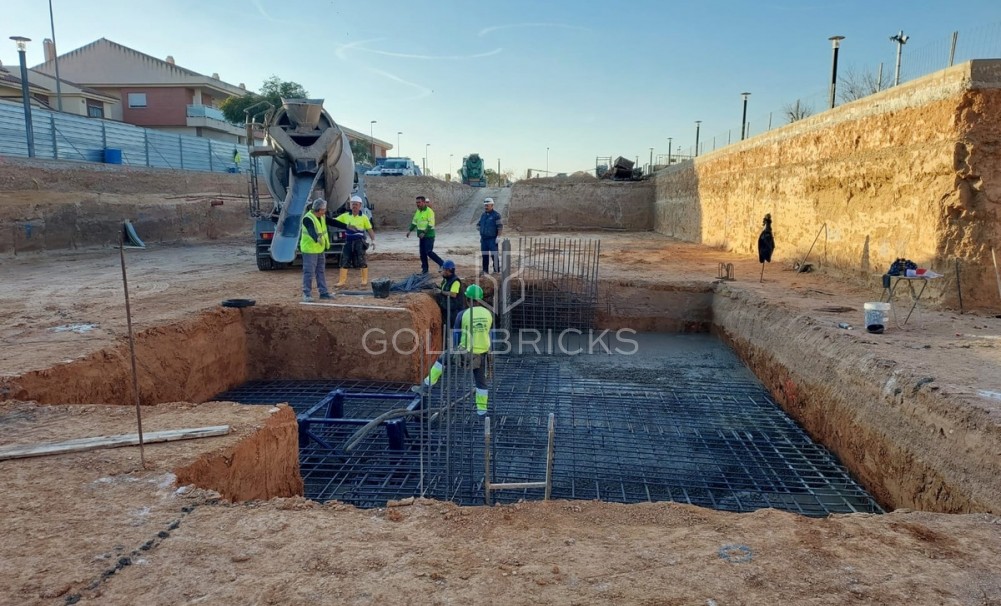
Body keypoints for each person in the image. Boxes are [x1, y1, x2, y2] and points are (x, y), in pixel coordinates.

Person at [412, 284, 493, 416]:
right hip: (483, 353)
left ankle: (425, 387)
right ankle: (482, 411)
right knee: (481, 383)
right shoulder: (488, 313)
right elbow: (488, 332)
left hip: (466, 353)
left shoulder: (462, 314)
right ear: (480, 300)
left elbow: (456, 336)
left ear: (467, 299)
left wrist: (456, 352)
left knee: (443, 358)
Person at [334, 195, 375, 287]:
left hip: (359, 242)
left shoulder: (364, 217)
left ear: (360, 205)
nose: (354, 206)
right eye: (353, 204)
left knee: (361, 260)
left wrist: (373, 241)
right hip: (348, 242)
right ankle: (342, 281)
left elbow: (370, 230)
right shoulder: (345, 216)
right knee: (345, 259)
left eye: (356, 205)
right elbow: (334, 221)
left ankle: (364, 280)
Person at [300, 198, 333, 302]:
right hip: (309, 250)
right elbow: (310, 230)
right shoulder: (308, 218)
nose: (325, 211)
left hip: (319, 250)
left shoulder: (322, 217)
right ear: (319, 210)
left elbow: (333, 222)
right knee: (309, 272)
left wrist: (347, 226)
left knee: (320, 272)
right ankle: (306, 294)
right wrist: (317, 238)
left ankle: (323, 293)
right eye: (324, 210)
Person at [406, 195, 444, 274]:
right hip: (421, 236)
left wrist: (424, 232)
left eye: (419, 202)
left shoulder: (429, 212)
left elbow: (431, 224)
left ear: (423, 202)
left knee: (429, 252)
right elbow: (414, 222)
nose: (417, 204)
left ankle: (442, 264)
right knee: (422, 253)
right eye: (416, 203)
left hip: (429, 236)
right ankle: (425, 270)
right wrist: (410, 230)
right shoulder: (418, 211)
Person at [436, 259, 465, 329]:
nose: (444, 272)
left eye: (445, 270)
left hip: (455, 311)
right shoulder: (445, 280)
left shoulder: (455, 281)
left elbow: (453, 294)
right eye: (444, 270)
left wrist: (441, 292)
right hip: (447, 309)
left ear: (450, 270)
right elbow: (442, 288)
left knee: (453, 328)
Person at [477, 197, 503, 274]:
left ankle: (496, 271)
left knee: (494, 255)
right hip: (484, 239)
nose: (486, 207)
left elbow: (500, 226)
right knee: (484, 256)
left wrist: (498, 236)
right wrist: (482, 230)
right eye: (485, 205)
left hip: (492, 239)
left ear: (492, 205)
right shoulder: (483, 215)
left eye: (487, 205)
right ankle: (485, 271)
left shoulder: (496, 215)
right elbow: (478, 224)